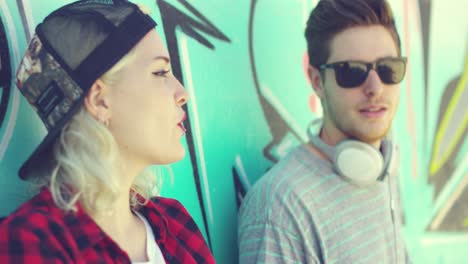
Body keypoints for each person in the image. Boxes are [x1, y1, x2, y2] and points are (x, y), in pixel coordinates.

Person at [0, 1, 215, 263]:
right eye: (160, 72)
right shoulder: (33, 242)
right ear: (100, 100)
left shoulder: (174, 222)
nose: (183, 94)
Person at [238, 0, 411, 263]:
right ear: (318, 81)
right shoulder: (279, 208)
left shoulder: (383, 172)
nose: (375, 87)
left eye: (388, 69)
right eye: (352, 72)